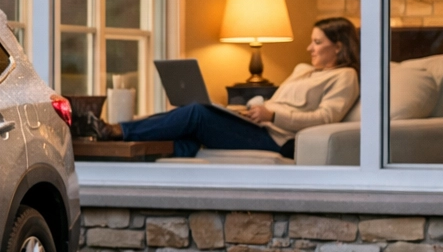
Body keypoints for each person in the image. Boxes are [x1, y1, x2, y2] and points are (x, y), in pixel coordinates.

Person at [81, 17, 361, 159]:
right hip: (258, 124)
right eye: (312, 41)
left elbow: (327, 118)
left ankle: (115, 131)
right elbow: (276, 102)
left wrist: (273, 116)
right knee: (186, 136)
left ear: (339, 46)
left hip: (276, 139)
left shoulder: (345, 77)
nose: (309, 47)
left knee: (197, 114)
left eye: (318, 42)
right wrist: (247, 110)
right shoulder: (304, 70)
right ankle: (115, 148)